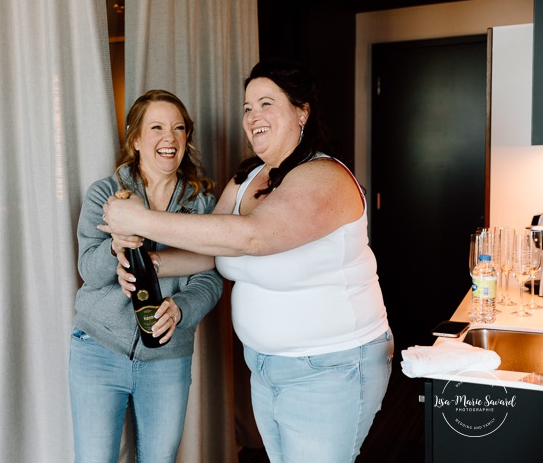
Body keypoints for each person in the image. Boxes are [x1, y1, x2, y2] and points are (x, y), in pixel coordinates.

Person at [100, 60, 394, 463]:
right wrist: (147, 261)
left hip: (330, 367)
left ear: (302, 111)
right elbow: (213, 247)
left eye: (267, 103)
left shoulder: (325, 176)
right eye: (247, 107)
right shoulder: (248, 178)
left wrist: (140, 219)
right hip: (265, 365)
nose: (253, 116)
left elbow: (253, 236)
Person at [69, 89, 223, 463]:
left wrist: (182, 308)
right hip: (97, 350)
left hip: (167, 357)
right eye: (156, 127)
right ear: (136, 139)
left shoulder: (201, 203)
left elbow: (212, 274)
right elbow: (88, 270)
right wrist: (113, 249)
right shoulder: (106, 194)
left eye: (178, 128)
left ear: (186, 139)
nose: (169, 138)